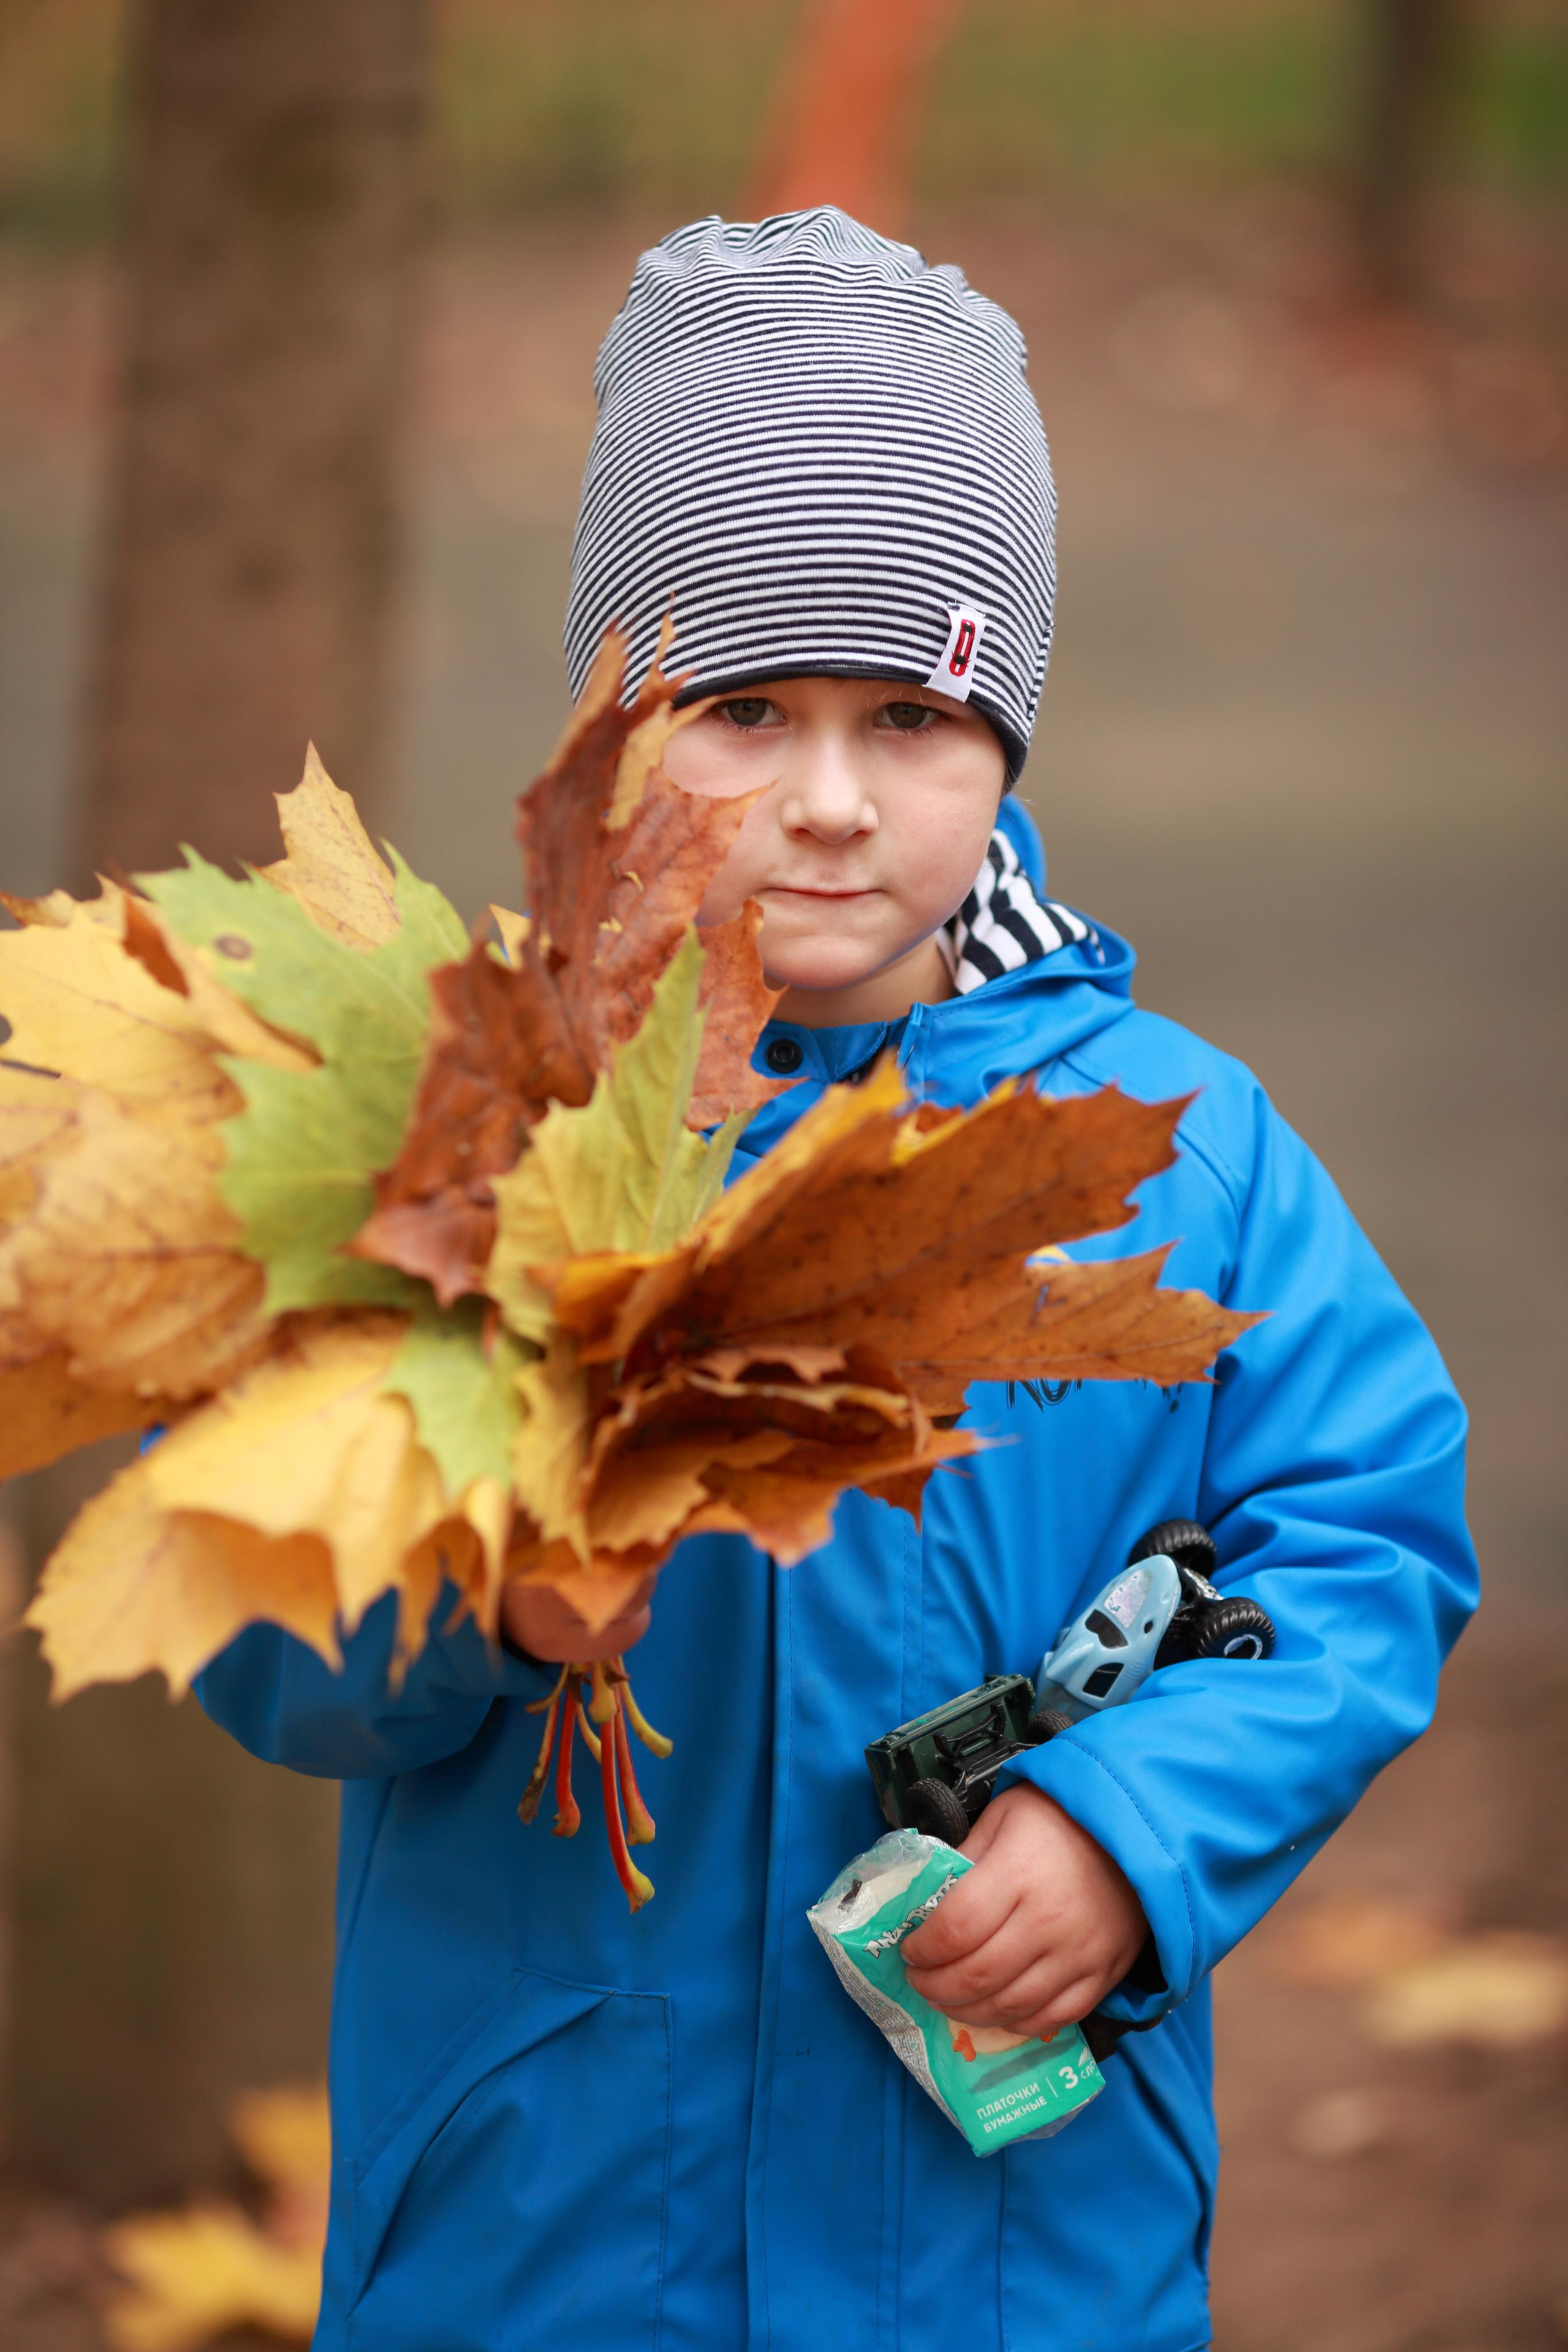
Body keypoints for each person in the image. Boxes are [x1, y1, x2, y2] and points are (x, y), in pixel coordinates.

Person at [197, 208, 1476, 2351]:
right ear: (614, 720)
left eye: (910, 720)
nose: (826, 803)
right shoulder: (467, 1134)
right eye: (743, 709)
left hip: (1010, 2256)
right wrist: (477, 1603)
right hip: (550, 2247)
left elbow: (1357, 1538)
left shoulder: (1175, 1154)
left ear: (1006, 752)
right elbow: (252, 1595)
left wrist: (1133, 1831)